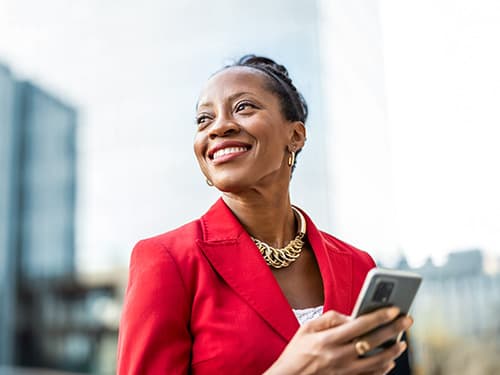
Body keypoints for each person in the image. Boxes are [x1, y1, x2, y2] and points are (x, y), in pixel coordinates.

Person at [116, 55, 413, 374]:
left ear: (295, 136)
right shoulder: (167, 261)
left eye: (243, 107)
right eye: (204, 119)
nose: (219, 126)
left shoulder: (359, 267)